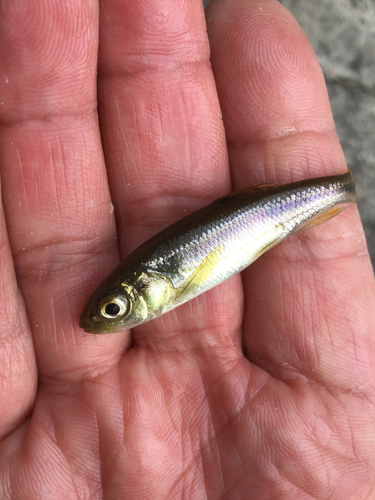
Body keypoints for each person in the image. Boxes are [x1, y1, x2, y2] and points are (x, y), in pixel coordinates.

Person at [0, 0, 374, 498]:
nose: (115, 315)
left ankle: (340, 189)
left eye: (117, 308)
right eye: (115, 309)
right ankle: (341, 189)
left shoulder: (165, 280)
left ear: (148, 286)